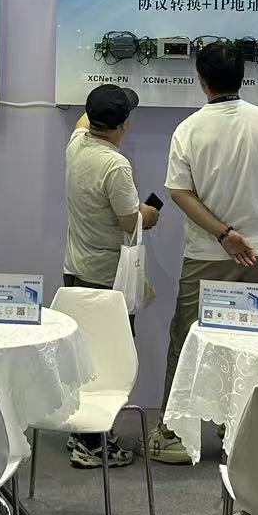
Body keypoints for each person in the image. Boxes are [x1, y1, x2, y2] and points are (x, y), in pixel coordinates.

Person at [146, 40, 258, 464]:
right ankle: (237, 430)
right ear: (242, 77)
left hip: (207, 252)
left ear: (202, 81)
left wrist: (222, 234)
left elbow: (179, 192)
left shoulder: (189, 129)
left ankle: (174, 435)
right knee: (246, 339)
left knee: (188, 339)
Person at [62, 85, 160, 468]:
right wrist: (149, 214)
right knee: (105, 363)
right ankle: (91, 443)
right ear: (124, 125)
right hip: (107, 279)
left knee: (83, 358)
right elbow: (130, 222)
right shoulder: (116, 166)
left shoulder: (76, 146)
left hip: (76, 270)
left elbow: (81, 121)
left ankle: (81, 433)